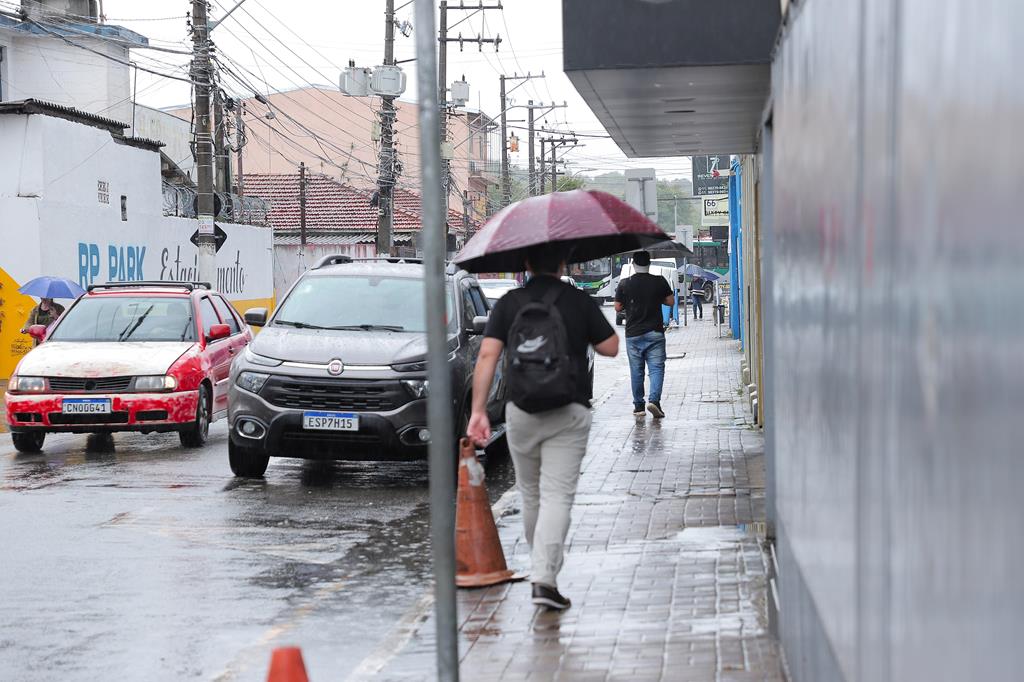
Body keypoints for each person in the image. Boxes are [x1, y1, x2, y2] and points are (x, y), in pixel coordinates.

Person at [467, 243, 619, 611]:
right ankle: (544, 578)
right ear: (564, 262)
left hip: (521, 412)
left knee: (532, 495)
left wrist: (478, 411)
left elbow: (488, 354)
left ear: (526, 263)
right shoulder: (578, 300)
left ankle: (542, 569)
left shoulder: (509, 302)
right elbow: (611, 347)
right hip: (569, 412)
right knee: (557, 497)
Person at [615, 251, 673, 419]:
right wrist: (656, 299)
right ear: (649, 264)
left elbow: (618, 307)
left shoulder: (625, 283)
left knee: (636, 370)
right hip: (655, 333)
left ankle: (639, 406)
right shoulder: (659, 281)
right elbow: (670, 301)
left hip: (633, 334)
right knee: (656, 369)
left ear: (633, 264)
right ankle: (654, 401)